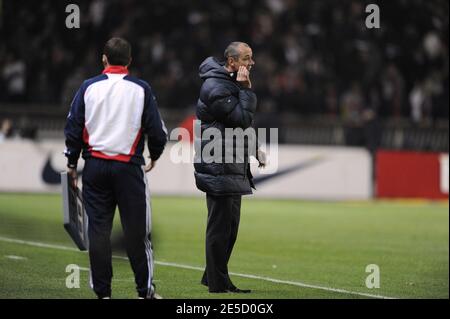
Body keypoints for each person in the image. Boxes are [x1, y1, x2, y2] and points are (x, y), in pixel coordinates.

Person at [64, 37, 167, 299]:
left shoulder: (88, 87)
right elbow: (156, 130)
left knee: (98, 232)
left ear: (104, 58)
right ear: (130, 61)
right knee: (137, 234)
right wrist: (154, 154)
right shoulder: (141, 89)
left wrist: (72, 162)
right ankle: (145, 292)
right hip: (129, 169)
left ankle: (103, 293)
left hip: (95, 167)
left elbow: (73, 127)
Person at [194, 42, 266, 293]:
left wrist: (254, 148)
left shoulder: (229, 84)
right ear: (231, 62)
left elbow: (239, 126)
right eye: (247, 58)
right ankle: (217, 284)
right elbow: (241, 118)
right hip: (218, 164)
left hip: (231, 163)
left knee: (229, 227)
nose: (251, 63)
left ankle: (214, 277)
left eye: (251, 58)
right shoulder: (215, 86)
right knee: (220, 226)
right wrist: (247, 89)